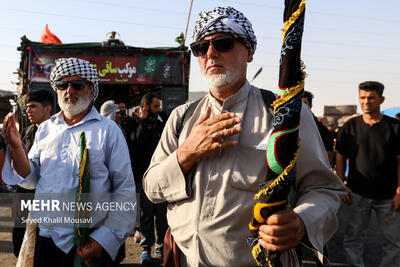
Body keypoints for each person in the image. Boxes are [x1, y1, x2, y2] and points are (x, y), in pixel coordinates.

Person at [142, 6, 345, 267]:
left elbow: (324, 189)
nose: (211, 54)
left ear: (249, 52)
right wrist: (186, 153)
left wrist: (301, 221)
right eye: (201, 48)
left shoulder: (284, 114)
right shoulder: (181, 117)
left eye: (223, 43)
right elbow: (152, 189)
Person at [2, 57, 136, 267]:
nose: (69, 90)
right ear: (57, 89)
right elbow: (30, 179)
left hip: (88, 241)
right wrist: (16, 147)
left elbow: (124, 189)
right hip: (45, 238)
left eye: (77, 85)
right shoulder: (46, 128)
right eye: (63, 85)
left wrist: (103, 239)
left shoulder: (108, 131)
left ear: (91, 90)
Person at [336, 81, 400, 267]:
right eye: (362, 97)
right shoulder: (350, 126)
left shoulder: (395, 127)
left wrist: (398, 191)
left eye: (371, 98)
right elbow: (340, 155)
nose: (366, 101)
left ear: (381, 99)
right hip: (357, 193)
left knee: (394, 243)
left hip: (389, 197)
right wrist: (341, 185)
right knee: (353, 239)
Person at [12, 89, 53, 258]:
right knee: (19, 245)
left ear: (48, 108)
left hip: (46, 201)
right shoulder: (26, 132)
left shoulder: (58, 133)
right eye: (27, 107)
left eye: (33, 106)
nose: (28, 111)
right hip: (24, 198)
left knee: (41, 249)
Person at [131, 92, 167, 265]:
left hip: (162, 178)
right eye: (155, 106)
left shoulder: (163, 122)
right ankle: (146, 249)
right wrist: (144, 123)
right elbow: (137, 143)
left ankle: (161, 247)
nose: (159, 110)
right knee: (145, 215)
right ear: (145, 107)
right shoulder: (135, 123)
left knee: (162, 215)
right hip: (143, 179)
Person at [301, 91, 334, 164]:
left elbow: (328, 155)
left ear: (310, 106)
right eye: (298, 103)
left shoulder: (321, 130)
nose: (301, 106)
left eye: (304, 103)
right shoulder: (289, 127)